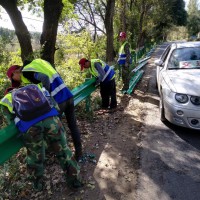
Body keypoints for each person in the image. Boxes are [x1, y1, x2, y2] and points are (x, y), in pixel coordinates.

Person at [0, 84, 82, 191]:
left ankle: (38, 186)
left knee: (35, 157)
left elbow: (11, 122)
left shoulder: (5, 99)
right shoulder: (36, 87)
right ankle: (75, 181)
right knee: (64, 151)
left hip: (31, 127)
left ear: (8, 92)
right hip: (52, 120)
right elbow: (55, 106)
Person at [6, 60, 83, 161]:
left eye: (14, 79)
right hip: (68, 95)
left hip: (58, 100)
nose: (17, 81)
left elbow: (44, 78)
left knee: (57, 130)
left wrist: (45, 96)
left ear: (15, 73)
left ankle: (65, 157)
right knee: (73, 126)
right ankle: (79, 154)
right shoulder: (37, 63)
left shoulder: (26, 71)